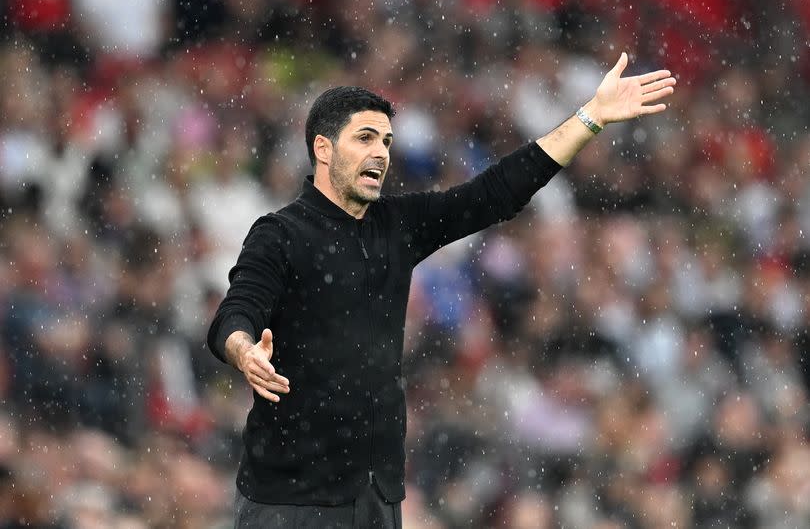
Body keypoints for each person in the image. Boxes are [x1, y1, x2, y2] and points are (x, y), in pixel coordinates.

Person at [207, 52, 676, 528]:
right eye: (365, 138)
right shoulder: (280, 233)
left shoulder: (397, 225)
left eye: (387, 141)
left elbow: (497, 193)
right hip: (290, 499)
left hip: (375, 496)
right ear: (323, 148)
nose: (380, 153)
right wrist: (245, 352)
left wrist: (590, 117)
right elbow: (235, 312)